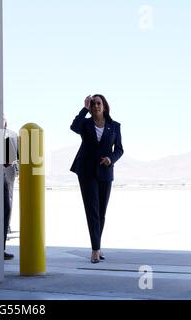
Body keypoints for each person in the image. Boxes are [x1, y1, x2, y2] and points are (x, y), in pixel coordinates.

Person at [70, 94, 124, 263]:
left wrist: (111, 159)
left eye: (98, 103)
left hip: (105, 172)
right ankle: (95, 250)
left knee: (101, 212)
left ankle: (97, 245)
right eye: (93, 104)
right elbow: (74, 126)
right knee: (92, 210)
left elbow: (119, 149)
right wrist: (84, 108)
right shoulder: (85, 124)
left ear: (105, 106)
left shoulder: (115, 126)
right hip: (86, 171)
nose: (96, 106)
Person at [3, 117, 19, 260]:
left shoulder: (13, 134)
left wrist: (17, 170)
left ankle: (1, 247)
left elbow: (18, 155)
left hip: (8, 173)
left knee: (8, 204)